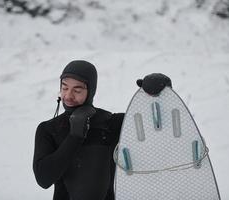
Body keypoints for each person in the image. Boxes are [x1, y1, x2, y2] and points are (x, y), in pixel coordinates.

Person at [32, 60, 171, 200]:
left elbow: (156, 125)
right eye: (64, 88)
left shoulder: (111, 123)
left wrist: (161, 96)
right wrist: (74, 137)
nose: (68, 96)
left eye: (77, 90)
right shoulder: (48, 129)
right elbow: (44, 179)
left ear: (91, 90)